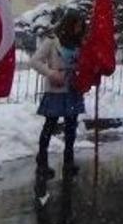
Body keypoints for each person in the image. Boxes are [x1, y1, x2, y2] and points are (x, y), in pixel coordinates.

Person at [31, 11, 87, 178]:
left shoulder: (79, 43)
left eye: (80, 26)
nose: (78, 29)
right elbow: (34, 61)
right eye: (76, 25)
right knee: (50, 124)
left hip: (73, 87)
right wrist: (51, 73)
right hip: (56, 88)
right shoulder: (52, 41)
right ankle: (42, 160)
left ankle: (68, 161)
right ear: (69, 24)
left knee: (71, 126)